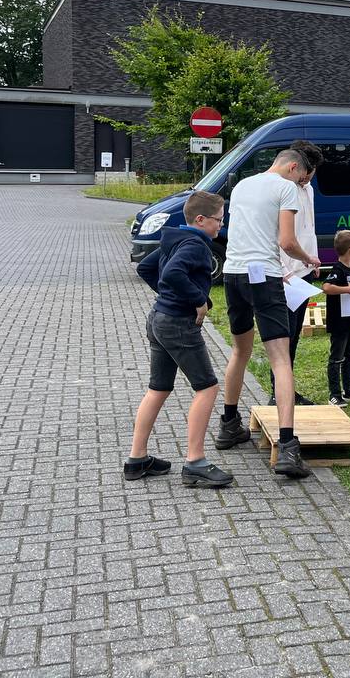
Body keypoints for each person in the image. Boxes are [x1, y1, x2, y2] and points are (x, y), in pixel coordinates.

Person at [214, 148, 312, 479]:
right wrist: (308, 259)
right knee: (280, 359)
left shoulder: (241, 185)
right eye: (301, 178)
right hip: (265, 277)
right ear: (293, 167)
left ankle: (229, 425)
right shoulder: (285, 188)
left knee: (240, 350)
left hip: (234, 274)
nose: (300, 184)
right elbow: (286, 241)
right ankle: (287, 448)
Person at [127, 191, 233, 487]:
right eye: (217, 221)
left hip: (159, 318)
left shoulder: (174, 238)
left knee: (158, 388)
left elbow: (147, 268)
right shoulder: (196, 245)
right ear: (200, 220)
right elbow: (172, 273)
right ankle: (195, 462)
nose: (219, 227)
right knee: (208, 389)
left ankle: (137, 459)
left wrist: (168, 297)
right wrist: (198, 300)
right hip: (178, 325)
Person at [273, 140, 323, 406]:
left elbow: (308, 227)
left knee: (293, 338)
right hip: (285, 276)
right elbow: (281, 237)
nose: (308, 178)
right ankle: (278, 393)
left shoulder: (308, 189)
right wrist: (285, 271)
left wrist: (311, 262)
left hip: (302, 272)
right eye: (308, 172)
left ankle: (287, 390)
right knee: (283, 337)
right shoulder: (283, 190)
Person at [322, 229, 350, 406]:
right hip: (339, 322)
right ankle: (334, 393)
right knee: (336, 357)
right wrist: (347, 290)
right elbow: (327, 287)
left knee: (349, 356)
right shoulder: (337, 269)